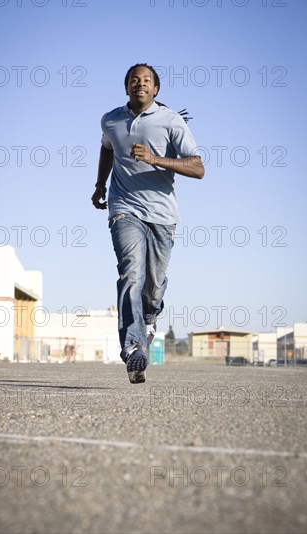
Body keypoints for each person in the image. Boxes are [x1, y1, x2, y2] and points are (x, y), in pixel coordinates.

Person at [91, 63, 204, 384]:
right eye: (134, 80)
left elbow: (198, 168)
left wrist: (155, 158)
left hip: (163, 215)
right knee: (131, 273)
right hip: (123, 208)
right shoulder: (111, 119)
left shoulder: (171, 120)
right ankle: (133, 347)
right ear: (126, 87)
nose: (140, 84)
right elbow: (106, 147)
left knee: (153, 286)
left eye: (147, 81)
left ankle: (151, 317)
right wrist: (100, 184)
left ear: (156, 89)